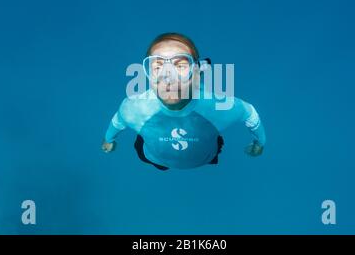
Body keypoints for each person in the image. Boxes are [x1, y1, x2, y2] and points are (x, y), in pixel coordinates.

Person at [102, 33, 266, 170]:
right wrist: (109, 139)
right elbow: (118, 120)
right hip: (154, 158)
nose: (168, 76)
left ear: (198, 73)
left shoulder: (220, 107)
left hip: (206, 157)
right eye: (157, 67)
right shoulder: (134, 108)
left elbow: (249, 113)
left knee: (214, 142)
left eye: (180, 66)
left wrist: (260, 142)